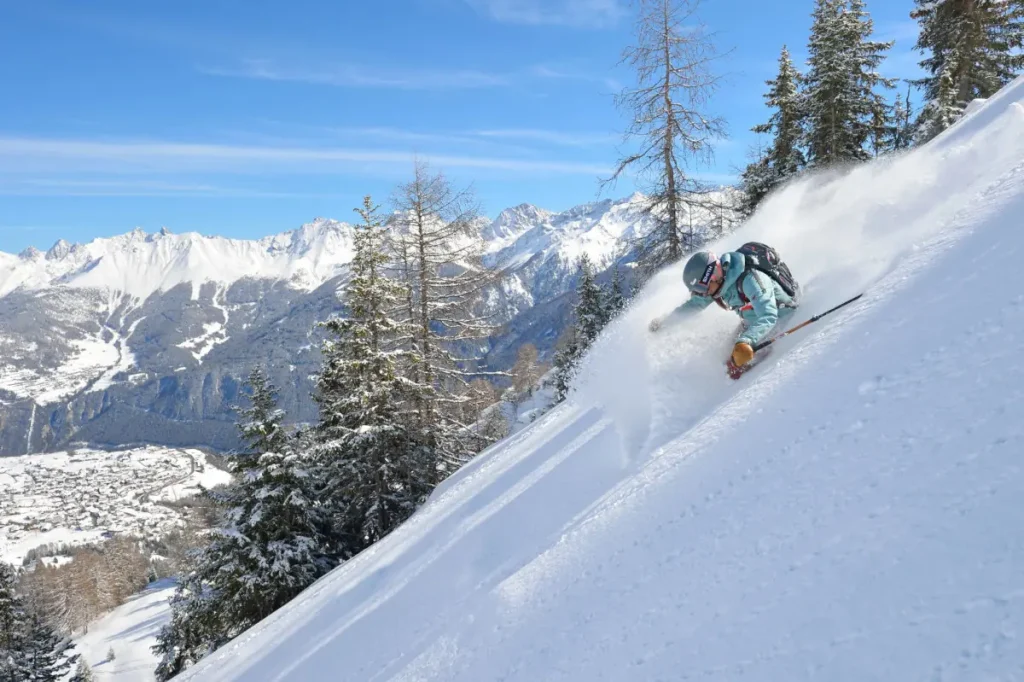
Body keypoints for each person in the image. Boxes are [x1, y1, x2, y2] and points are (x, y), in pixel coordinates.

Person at [649, 244, 800, 377]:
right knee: (724, 360)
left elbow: (768, 315)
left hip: (780, 322)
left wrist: (745, 341)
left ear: (713, 274)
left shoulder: (751, 280)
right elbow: (695, 304)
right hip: (752, 324)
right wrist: (667, 321)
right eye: (699, 291)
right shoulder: (719, 284)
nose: (704, 293)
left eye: (703, 288)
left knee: (734, 367)